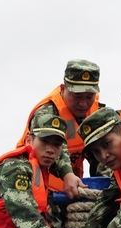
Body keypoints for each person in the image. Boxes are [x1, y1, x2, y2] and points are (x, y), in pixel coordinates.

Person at [17, 59, 102, 199]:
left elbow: (99, 149)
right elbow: (55, 147)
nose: (83, 103)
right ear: (63, 89)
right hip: (38, 185)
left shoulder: (96, 112)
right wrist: (67, 174)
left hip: (74, 187)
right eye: (77, 96)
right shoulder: (47, 112)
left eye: (89, 97)